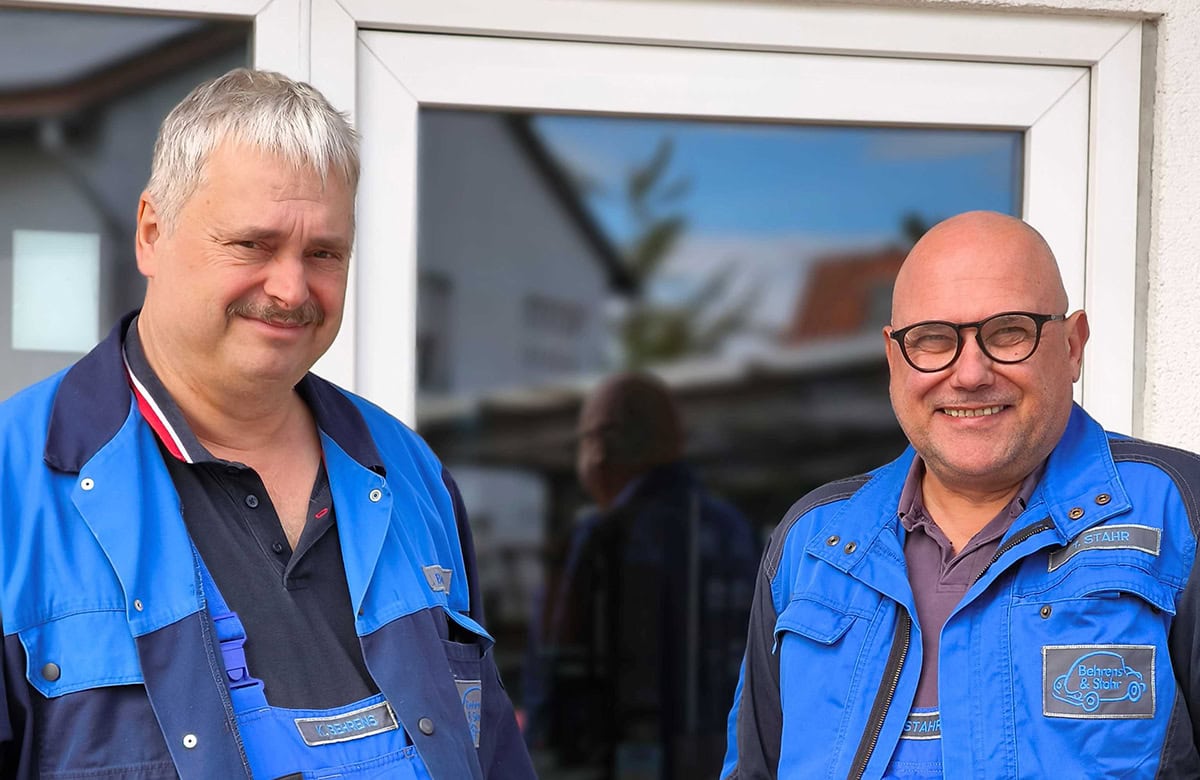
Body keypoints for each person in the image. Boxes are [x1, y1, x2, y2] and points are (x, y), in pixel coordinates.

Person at [0, 68, 535, 780]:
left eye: (323, 254)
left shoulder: (408, 474)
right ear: (152, 233)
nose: (291, 289)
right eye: (253, 244)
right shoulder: (16, 487)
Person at [722, 211, 1200, 778]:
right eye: (931, 340)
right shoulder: (812, 543)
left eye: (1008, 332)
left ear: (1073, 346)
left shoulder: (1179, 514)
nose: (970, 373)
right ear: (893, 358)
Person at [530, 372, 758, 780]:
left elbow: (557, 669)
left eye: (584, 441)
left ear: (601, 446)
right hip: (727, 758)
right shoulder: (733, 529)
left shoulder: (603, 536)